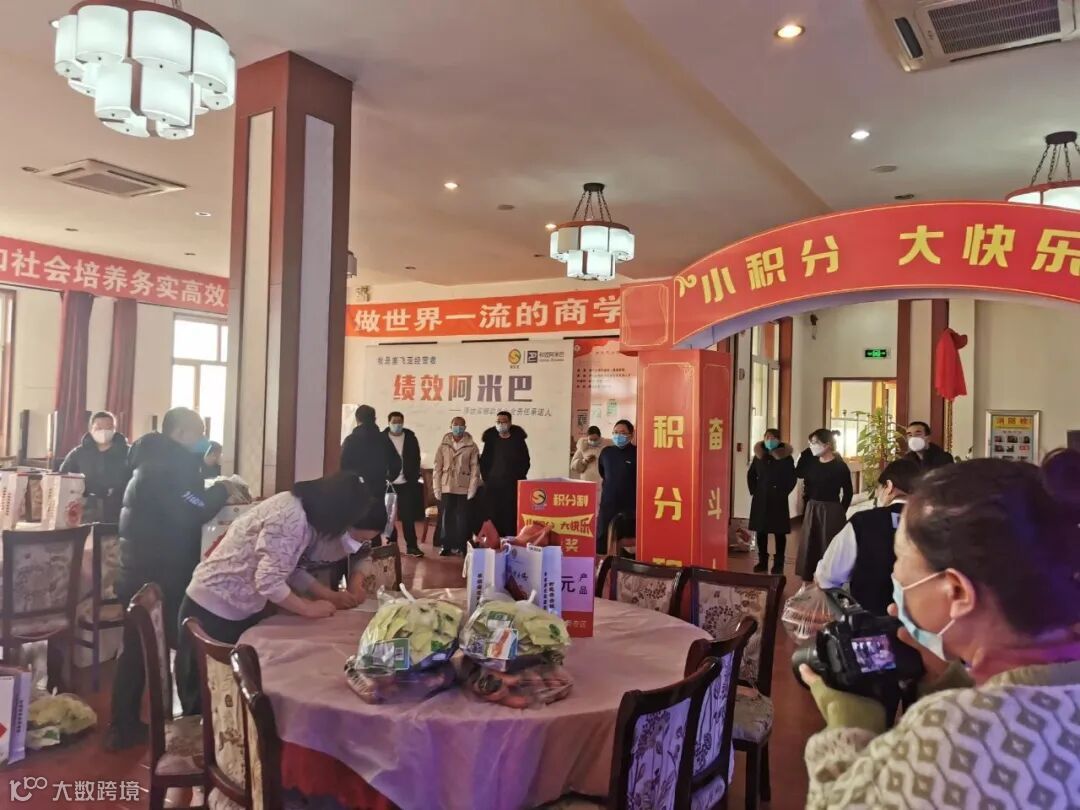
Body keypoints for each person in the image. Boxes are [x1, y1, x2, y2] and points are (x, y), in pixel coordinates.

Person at [799, 453, 1080, 809]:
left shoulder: (948, 732)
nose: (897, 578)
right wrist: (955, 686)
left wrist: (847, 729)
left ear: (957, 592)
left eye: (901, 560)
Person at [175, 472, 371, 714]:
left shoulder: (298, 510)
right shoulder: (291, 519)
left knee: (231, 697)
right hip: (211, 610)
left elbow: (287, 568)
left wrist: (328, 596)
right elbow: (268, 582)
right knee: (209, 705)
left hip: (231, 607)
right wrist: (308, 608)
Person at [105, 407, 232, 751]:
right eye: (198, 434)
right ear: (180, 433)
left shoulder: (151, 460)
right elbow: (193, 507)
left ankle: (124, 725)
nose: (202, 441)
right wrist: (222, 490)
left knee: (136, 647)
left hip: (140, 567)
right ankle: (188, 718)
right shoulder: (169, 466)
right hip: (161, 571)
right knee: (184, 640)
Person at [814, 458, 921, 615]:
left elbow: (827, 576)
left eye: (880, 488)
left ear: (889, 486)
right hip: (923, 625)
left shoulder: (862, 522)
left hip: (868, 622)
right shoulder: (939, 525)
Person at [795, 429, 854, 583]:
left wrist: (841, 510)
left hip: (831, 508)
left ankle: (829, 580)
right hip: (812, 507)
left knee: (829, 544)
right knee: (810, 543)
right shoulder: (812, 463)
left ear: (827, 445)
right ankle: (808, 578)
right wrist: (807, 450)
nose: (812, 446)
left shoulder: (840, 466)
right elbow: (798, 472)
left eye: (815, 443)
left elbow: (848, 492)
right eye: (810, 443)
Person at [340, 405, 401, 542]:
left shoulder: (351, 440)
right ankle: (376, 549)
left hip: (356, 490)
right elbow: (396, 462)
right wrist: (389, 478)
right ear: (374, 419)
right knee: (375, 526)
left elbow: (342, 465)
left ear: (357, 419)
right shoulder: (384, 439)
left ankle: (358, 553)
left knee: (357, 527)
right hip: (378, 487)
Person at [59, 410, 130, 522]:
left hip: (119, 513)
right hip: (86, 512)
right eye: (99, 428)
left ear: (114, 429)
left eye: (108, 428)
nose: (103, 432)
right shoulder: (78, 454)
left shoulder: (128, 453)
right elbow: (63, 479)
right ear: (91, 430)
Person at [747, 428, 797, 574]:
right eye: (767, 437)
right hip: (761, 498)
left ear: (779, 440)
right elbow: (751, 475)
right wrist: (755, 491)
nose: (770, 440)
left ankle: (779, 563)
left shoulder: (786, 457)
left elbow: (791, 478)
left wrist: (783, 492)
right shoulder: (759, 456)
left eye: (773, 437)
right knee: (760, 531)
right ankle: (762, 561)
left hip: (778, 499)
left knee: (779, 532)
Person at [433, 416, 480, 556]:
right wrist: (437, 488)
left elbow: (475, 469)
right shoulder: (443, 445)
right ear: (451, 426)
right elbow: (437, 467)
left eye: (461, 425)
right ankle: (446, 545)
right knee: (447, 517)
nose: (458, 428)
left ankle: (463, 546)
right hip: (446, 485)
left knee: (463, 518)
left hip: (464, 487)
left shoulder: (472, 446)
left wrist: (472, 488)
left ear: (465, 427)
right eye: (455, 425)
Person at [479, 411, 531, 537]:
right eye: (498, 422)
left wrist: (518, 477)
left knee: (510, 512)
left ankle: (510, 538)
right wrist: (487, 478)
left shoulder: (518, 439)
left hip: (512, 484)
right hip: (493, 483)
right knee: (493, 512)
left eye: (504, 422)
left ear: (510, 423)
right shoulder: (491, 439)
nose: (501, 424)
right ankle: (495, 538)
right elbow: (484, 461)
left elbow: (525, 461)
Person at [384, 411, 424, 557]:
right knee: (388, 516)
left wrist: (414, 476)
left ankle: (412, 546)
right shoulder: (382, 438)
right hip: (388, 483)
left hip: (407, 482)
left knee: (408, 516)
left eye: (400, 422)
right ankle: (391, 544)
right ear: (389, 423)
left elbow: (416, 458)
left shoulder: (410, 437)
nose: (397, 425)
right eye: (394, 422)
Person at [597, 420, 637, 554]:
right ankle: (603, 562)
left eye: (623, 433)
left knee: (626, 539)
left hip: (629, 505)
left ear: (631, 435)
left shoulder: (637, 453)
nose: (618, 435)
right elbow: (603, 472)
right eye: (615, 432)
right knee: (604, 536)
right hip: (608, 503)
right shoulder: (606, 452)